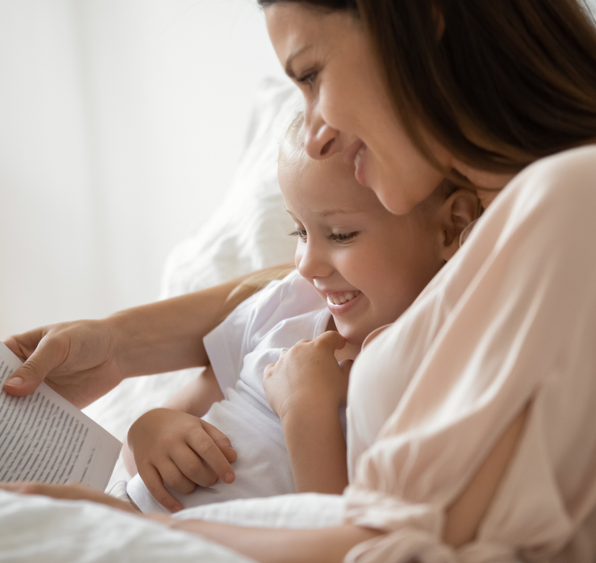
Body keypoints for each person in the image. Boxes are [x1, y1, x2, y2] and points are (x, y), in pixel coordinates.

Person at [0, 1, 596, 562]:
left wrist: (119, 529)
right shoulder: (498, 240)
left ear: (420, 23)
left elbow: (401, 543)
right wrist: (118, 345)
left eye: (311, 75)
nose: (313, 133)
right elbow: (301, 288)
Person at [120, 115, 479, 513]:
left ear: (452, 227)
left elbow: (339, 532)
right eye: (300, 232)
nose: (306, 265)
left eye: (340, 234)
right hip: (121, 513)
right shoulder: (288, 309)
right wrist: (146, 432)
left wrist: (306, 412)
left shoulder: (429, 380)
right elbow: (151, 442)